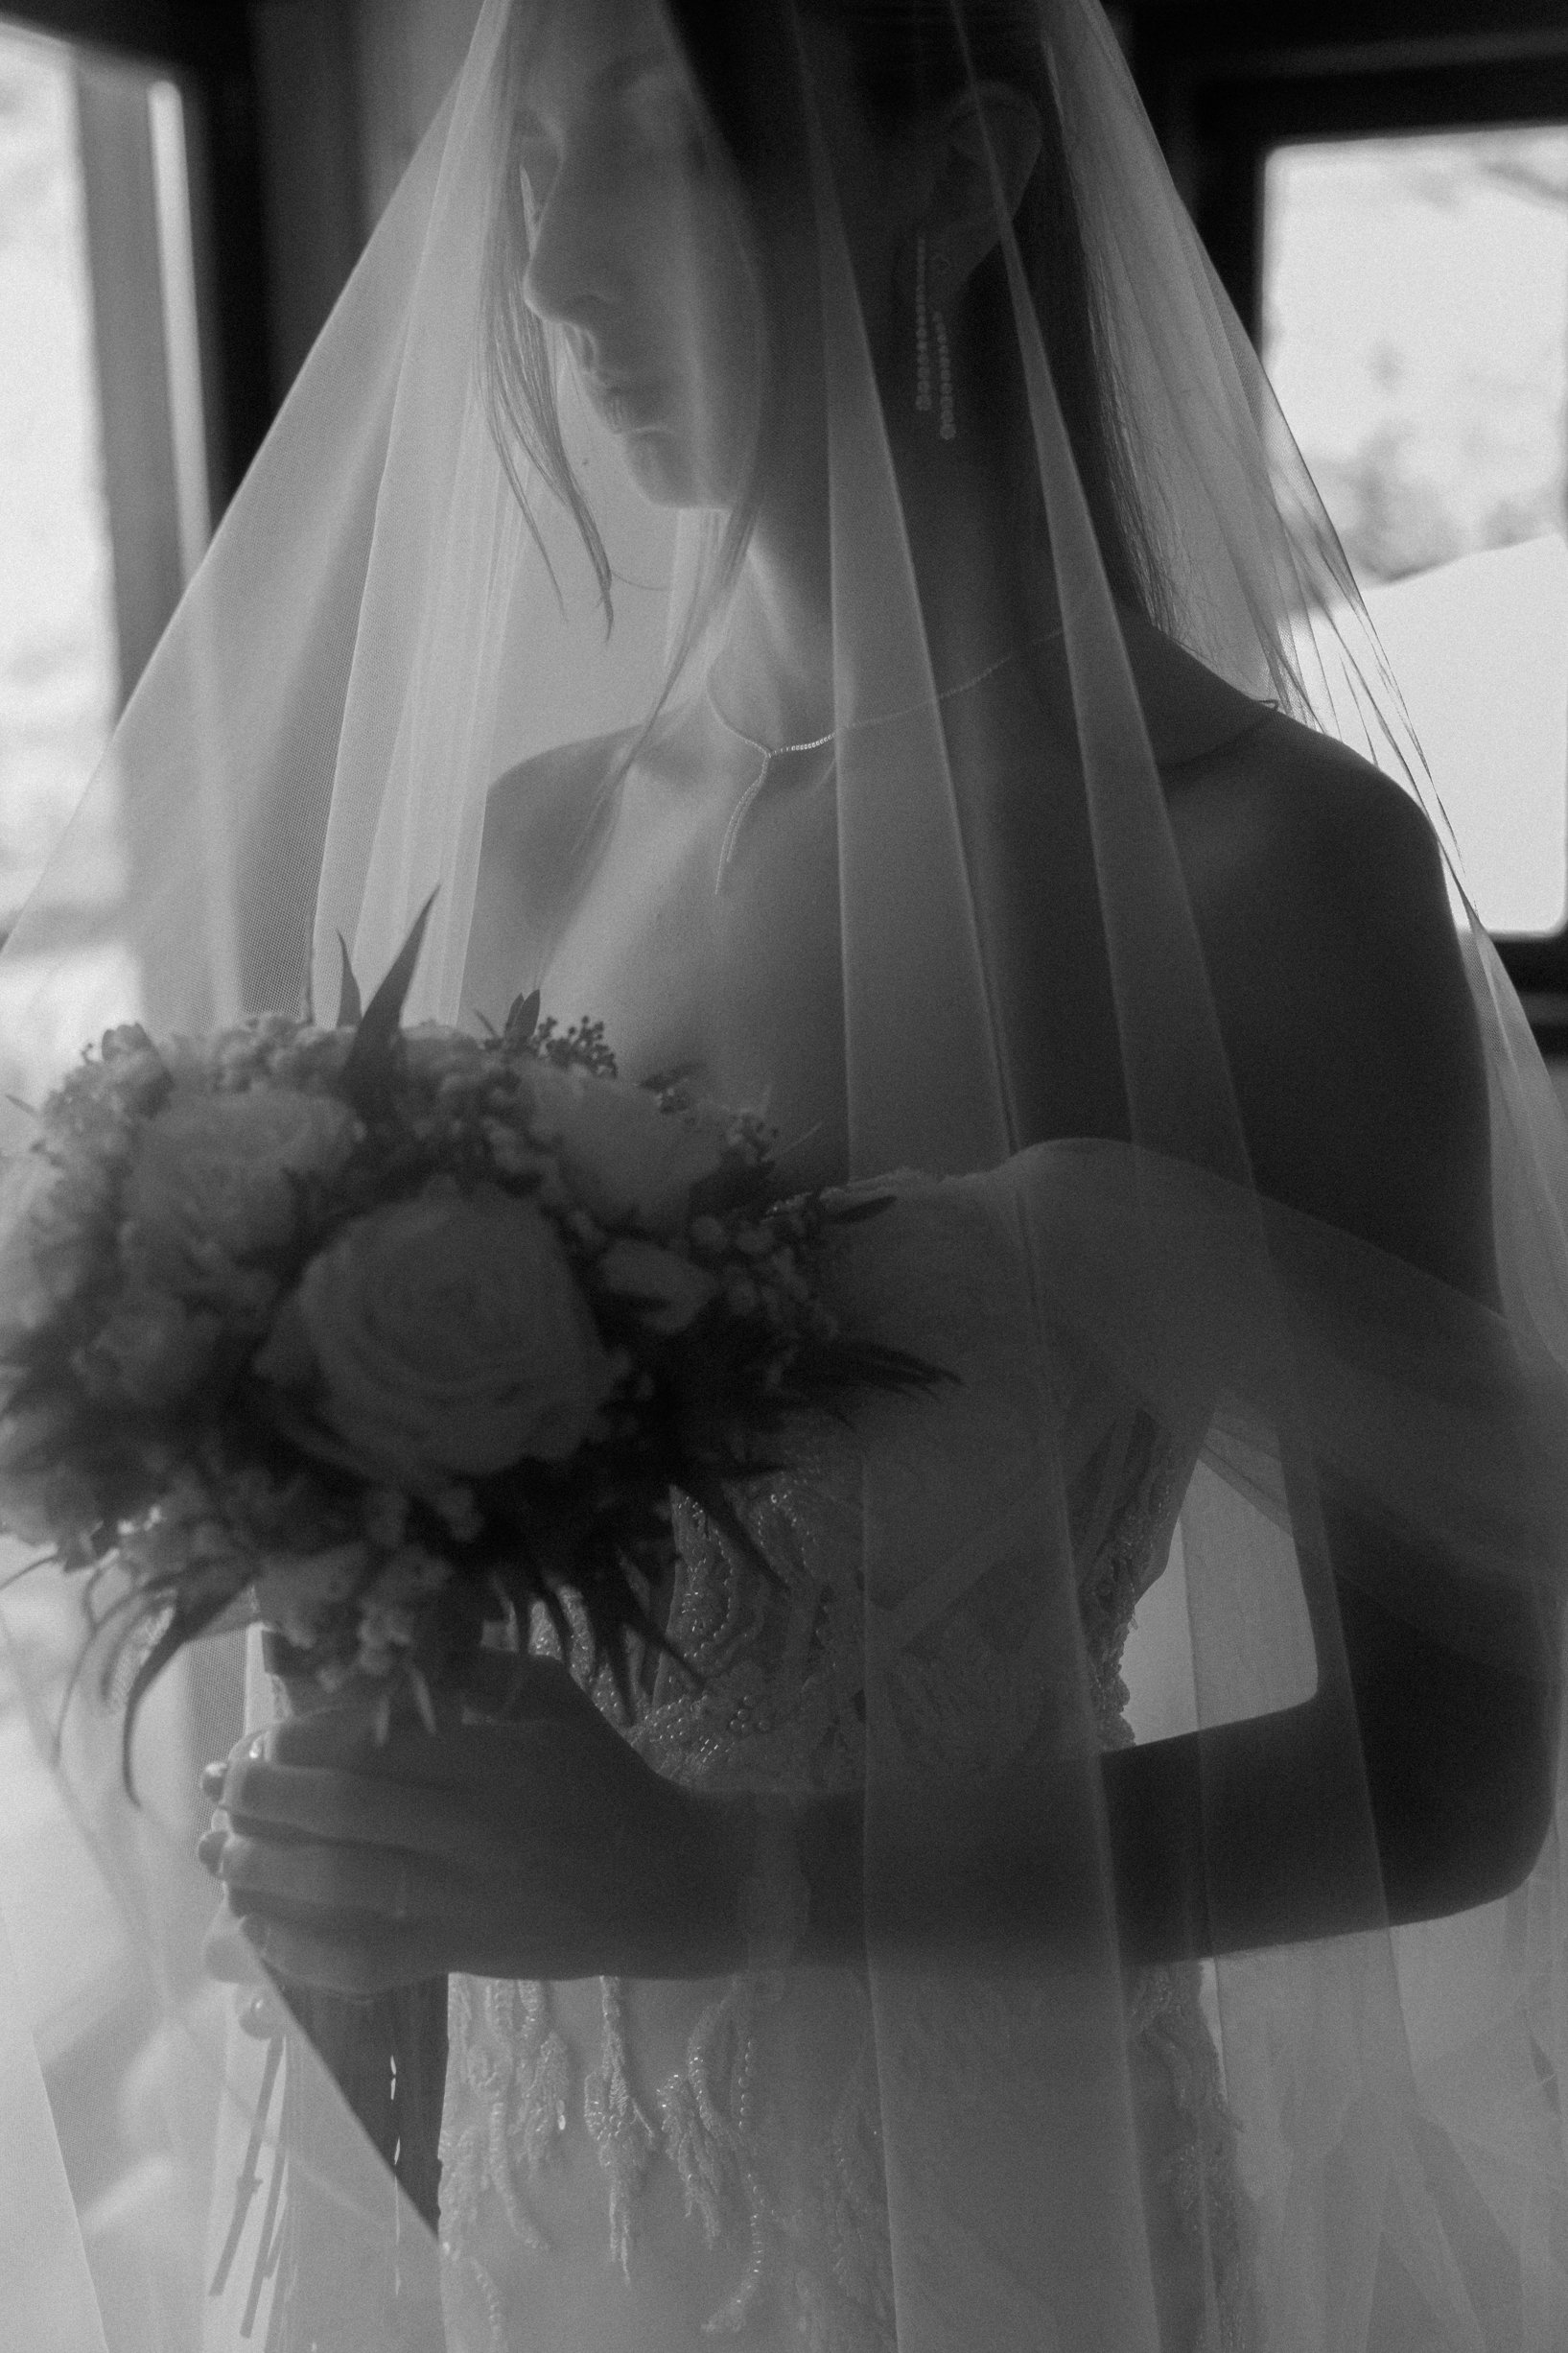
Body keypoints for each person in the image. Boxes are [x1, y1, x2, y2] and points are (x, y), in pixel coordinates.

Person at [3, 4, 1568, 2349]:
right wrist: (356, 1850)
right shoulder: (532, 846)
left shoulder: (1264, 873)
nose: (553, 276)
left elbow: (1452, 1782)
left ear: (947, 178)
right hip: (544, 2199)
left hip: (1005, 2202)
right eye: (518, 179)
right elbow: (442, 1594)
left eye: (647, 161)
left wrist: (741, 1888)